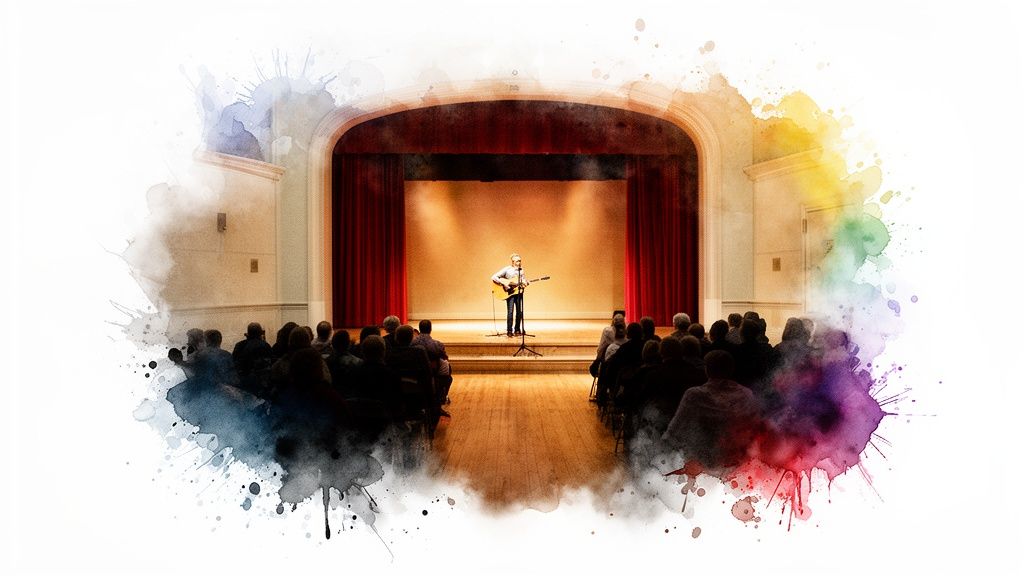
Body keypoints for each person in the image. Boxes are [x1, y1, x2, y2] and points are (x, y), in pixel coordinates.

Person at [491, 252, 530, 337]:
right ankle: (509, 330)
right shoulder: (507, 269)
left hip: (519, 292)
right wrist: (504, 284)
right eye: (517, 261)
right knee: (510, 312)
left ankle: (517, 329)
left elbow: (522, 280)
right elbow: (494, 277)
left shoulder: (521, 270)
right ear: (513, 262)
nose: (519, 262)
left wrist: (525, 283)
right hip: (510, 293)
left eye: (520, 261)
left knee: (519, 312)